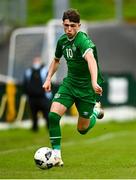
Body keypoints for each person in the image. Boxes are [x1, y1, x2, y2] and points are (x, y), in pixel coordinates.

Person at [43, 9, 104, 166]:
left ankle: (95, 112)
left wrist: (93, 82)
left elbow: (91, 60)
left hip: (86, 89)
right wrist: (48, 78)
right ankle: (56, 155)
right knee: (53, 116)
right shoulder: (62, 41)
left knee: (82, 129)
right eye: (66, 25)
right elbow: (56, 60)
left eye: (72, 26)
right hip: (70, 84)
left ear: (79, 25)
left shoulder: (83, 41)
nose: (68, 29)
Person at [23, 56, 52, 131]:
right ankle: (34, 128)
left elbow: (48, 82)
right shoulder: (28, 71)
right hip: (32, 97)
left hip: (43, 97)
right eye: (35, 61)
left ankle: (49, 127)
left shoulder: (45, 71)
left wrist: (48, 94)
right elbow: (25, 83)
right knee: (33, 114)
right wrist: (26, 94)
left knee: (46, 113)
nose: (36, 63)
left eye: (37, 61)